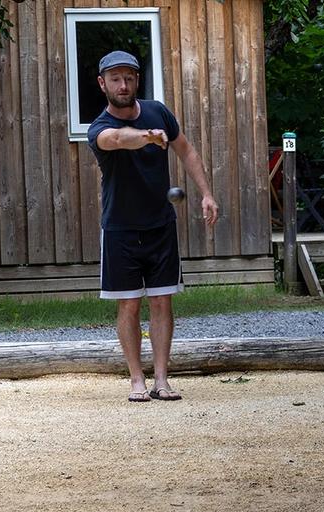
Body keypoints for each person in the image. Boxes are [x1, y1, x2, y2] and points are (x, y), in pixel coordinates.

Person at [88, 50, 218, 403]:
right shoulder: (99, 127)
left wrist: (206, 194)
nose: (123, 84)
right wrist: (147, 136)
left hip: (161, 225)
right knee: (129, 305)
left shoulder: (158, 111)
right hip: (120, 228)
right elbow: (118, 140)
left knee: (162, 302)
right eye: (115, 79)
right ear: (102, 83)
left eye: (129, 78)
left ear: (136, 81)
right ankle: (136, 380)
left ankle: (162, 379)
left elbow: (186, 150)